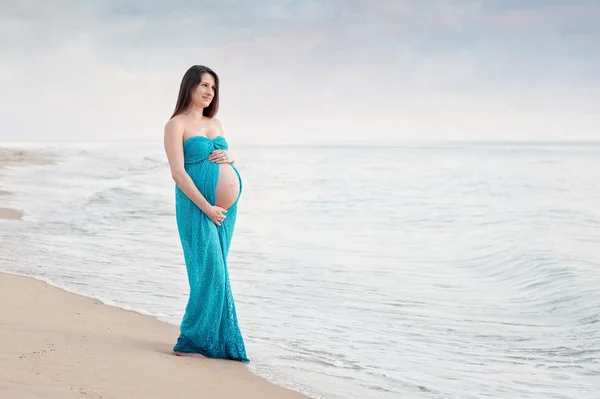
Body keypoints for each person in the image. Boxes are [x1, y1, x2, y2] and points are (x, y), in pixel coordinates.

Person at [163, 64, 249, 362]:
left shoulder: (217, 123)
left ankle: (214, 341)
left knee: (219, 271)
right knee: (209, 272)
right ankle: (191, 341)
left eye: (212, 87)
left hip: (225, 210)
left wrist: (232, 156)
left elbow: (226, 155)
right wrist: (207, 207)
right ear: (189, 86)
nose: (208, 91)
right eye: (203, 85)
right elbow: (178, 173)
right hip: (197, 207)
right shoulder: (176, 125)